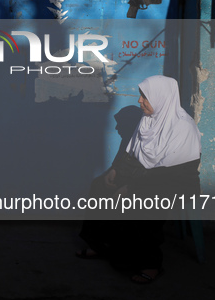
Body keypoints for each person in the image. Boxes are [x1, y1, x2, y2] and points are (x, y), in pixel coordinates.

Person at [77, 75, 202, 284]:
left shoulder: (183, 127)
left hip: (176, 181)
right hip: (144, 175)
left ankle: (150, 264)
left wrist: (132, 187)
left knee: (141, 201)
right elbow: (131, 154)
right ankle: (101, 246)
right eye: (141, 96)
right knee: (100, 186)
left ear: (162, 98)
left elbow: (173, 172)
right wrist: (115, 171)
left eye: (145, 97)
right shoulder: (147, 121)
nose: (139, 101)